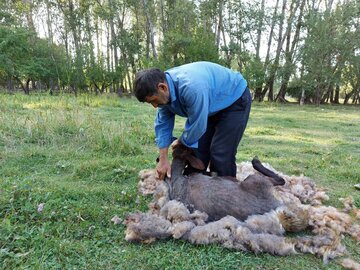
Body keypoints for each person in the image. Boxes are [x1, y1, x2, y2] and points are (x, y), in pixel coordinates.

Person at [134, 61, 251, 180]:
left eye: (153, 100)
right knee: (198, 151)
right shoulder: (164, 94)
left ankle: (226, 194)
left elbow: (198, 125)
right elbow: (163, 125)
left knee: (220, 152)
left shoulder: (191, 87)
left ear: (162, 87)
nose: (154, 106)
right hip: (211, 103)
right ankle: (195, 190)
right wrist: (163, 159)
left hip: (234, 98)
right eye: (150, 103)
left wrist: (182, 142)